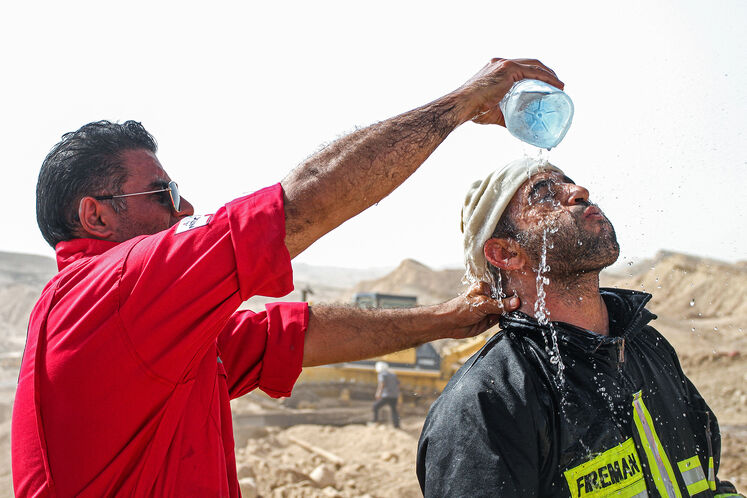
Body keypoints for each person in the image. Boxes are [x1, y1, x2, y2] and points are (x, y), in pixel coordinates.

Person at [11, 58, 562, 496]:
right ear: (97, 216)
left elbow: (297, 336)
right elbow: (301, 206)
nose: (185, 209)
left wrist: (448, 319)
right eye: (165, 194)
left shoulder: (149, 336)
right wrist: (462, 103)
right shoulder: (108, 295)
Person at [416, 158, 742, 497]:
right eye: (543, 194)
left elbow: (707, 480)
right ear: (506, 253)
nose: (579, 192)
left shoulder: (647, 345)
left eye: (570, 183)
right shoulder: (488, 403)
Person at [373, 361, 400, 428]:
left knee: (375, 406)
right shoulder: (393, 374)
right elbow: (398, 384)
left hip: (386, 396)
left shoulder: (382, 374)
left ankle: (375, 422)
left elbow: (382, 384)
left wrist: (378, 393)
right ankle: (396, 425)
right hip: (394, 396)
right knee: (394, 410)